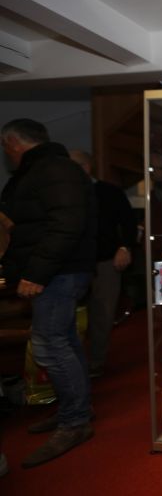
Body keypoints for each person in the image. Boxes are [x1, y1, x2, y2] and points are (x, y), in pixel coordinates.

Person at [0, 118, 97, 468]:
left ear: (13, 143)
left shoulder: (52, 169)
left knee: (50, 344)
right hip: (59, 271)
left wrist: (35, 273)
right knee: (63, 341)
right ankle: (76, 410)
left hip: (58, 272)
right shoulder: (48, 169)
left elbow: (66, 224)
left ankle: (75, 420)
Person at [69, 150, 138, 378]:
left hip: (105, 261)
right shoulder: (62, 193)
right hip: (71, 263)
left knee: (103, 314)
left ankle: (95, 362)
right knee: (69, 315)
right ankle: (72, 363)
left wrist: (125, 247)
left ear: (86, 167)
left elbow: (128, 222)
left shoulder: (109, 192)